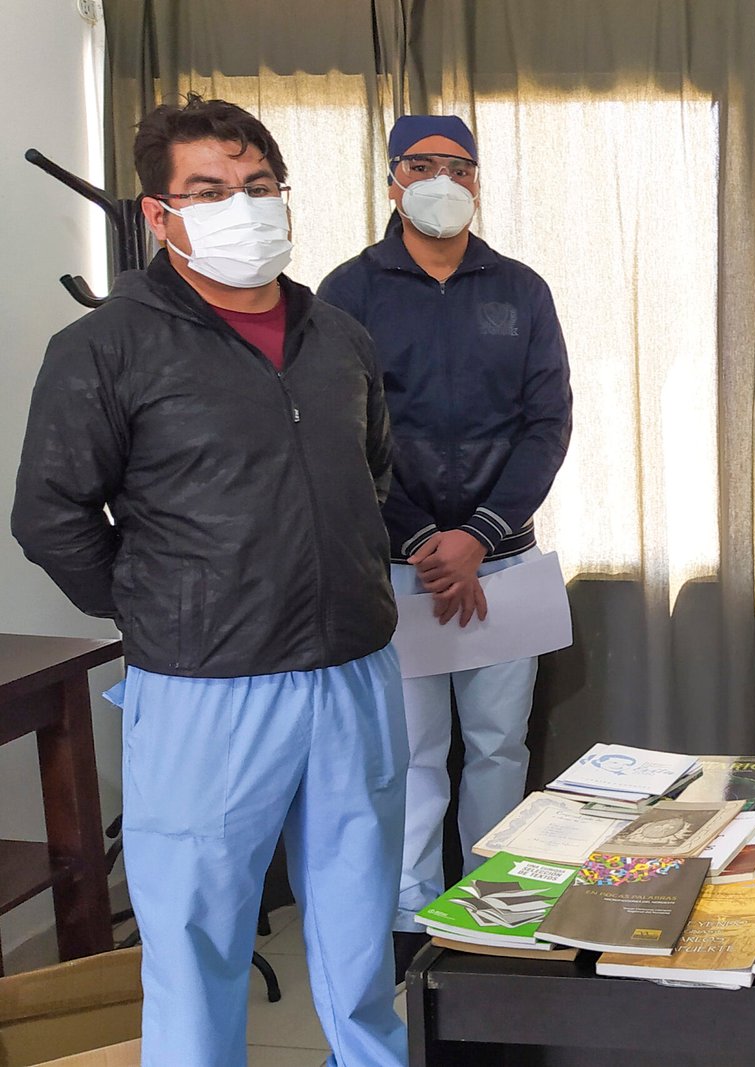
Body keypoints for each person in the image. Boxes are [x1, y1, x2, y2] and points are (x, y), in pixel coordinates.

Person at [11, 95, 406, 1066]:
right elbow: (50, 513)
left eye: (258, 187)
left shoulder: (338, 335)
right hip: (204, 687)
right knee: (198, 938)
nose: (243, 206)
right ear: (160, 214)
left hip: (352, 670)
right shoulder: (106, 348)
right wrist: (155, 602)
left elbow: (374, 470)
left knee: (362, 928)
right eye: (210, 190)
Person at [318, 115, 573, 975]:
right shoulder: (347, 292)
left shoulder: (521, 289)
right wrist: (428, 539)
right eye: (420, 165)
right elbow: (340, 432)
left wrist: (479, 536)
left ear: (477, 180)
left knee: (501, 746)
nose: (440, 180)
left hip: (504, 560)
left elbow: (547, 424)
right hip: (398, 566)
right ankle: (408, 926)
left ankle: (493, 913)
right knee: (410, 754)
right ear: (391, 179)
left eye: (456, 166)